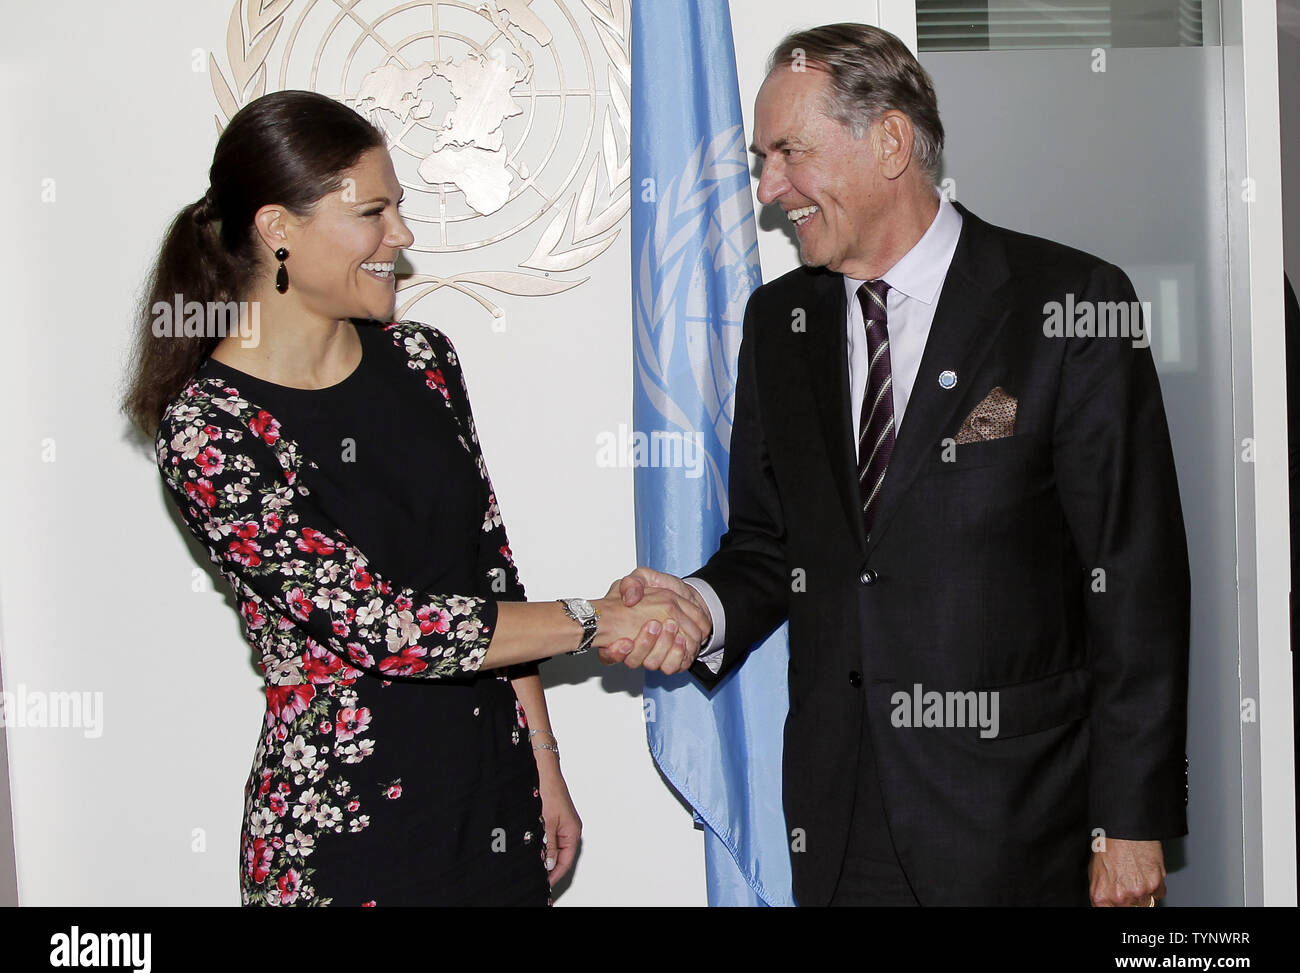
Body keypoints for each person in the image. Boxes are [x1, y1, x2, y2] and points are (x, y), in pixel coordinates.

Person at [603, 23, 1190, 906]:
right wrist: (703, 606)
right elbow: (771, 545)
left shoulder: (1068, 305)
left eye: (789, 153)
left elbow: (1135, 578)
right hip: (842, 821)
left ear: (890, 141)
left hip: (1021, 821)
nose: (770, 190)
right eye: (764, 160)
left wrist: (1131, 820)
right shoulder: (780, 324)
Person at [123, 90, 708, 906]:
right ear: (277, 229)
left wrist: (544, 763)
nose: (400, 237)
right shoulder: (207, 428)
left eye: (397, 208)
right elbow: (386, 626)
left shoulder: (425, 360)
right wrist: (595, 618)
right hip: (342, 828)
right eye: (374, 211)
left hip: (491, 797)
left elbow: (487, 569)